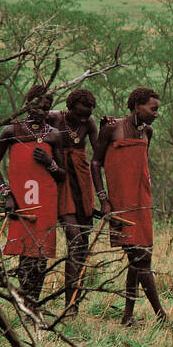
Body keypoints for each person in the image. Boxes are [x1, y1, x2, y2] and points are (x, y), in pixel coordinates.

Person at [0, 85, 68, 316]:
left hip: (46, 200)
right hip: (20, 200)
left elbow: (62, 175)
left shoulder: (54, 135)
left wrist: (49, 162)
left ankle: (34, 302)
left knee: (41, 253)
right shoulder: (11, 131)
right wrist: (7, 194)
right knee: (25, 252)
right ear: (27, 104)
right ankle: (25, 301)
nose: (41, 111)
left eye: (46, 108)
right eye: (36, 106)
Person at [93, 87, 167, 326]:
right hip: (120, 204)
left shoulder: (148, 132)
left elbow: (140, 165)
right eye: (152, 109)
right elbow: (95, 163)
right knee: (141, 259)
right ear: (137, 105)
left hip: (142, 202)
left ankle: (127, 316)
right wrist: (103, 200)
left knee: (139, 259)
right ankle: (161, 316)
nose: (156, 114)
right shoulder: (111, 128)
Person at [47, 88, 99, 316]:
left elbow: (99, 154)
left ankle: (73, 303)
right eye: (79, 113)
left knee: (82, 246)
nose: (83, 118)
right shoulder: (54, 118)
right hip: (60, 182)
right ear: (69, 108)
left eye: (87, 114)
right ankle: (69, 304)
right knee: (74, 238)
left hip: (83, 182)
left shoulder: (89, 123)